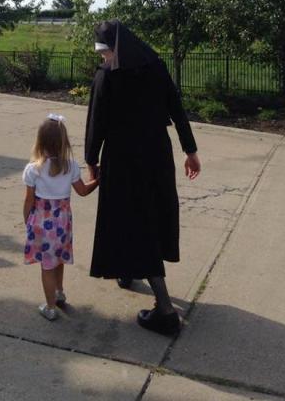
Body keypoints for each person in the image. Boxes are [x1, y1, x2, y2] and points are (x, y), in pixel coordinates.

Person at [85, 20, 201, 335]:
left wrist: (91, 160)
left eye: (104, 53)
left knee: (138, 222)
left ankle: (165, 310)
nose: (103, 59)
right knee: (147, 216)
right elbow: (177, 109)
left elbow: (96, 121)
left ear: (114, 50)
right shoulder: (156, 68)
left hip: (124, 160)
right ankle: (126, 269)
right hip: (158, 157)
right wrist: (190, 151)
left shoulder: (107, 77)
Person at [23, 114, 99, 321]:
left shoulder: (33, 170)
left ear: (40, 141)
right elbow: (83, 191)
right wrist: (97, 180)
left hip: (41, 223)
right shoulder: (71, 167)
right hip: (63, 222)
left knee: (46, 266)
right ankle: (59, 291)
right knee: (58, 260)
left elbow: (29, 200)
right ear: (64, 142)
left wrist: (26, 221)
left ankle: (50, 307)